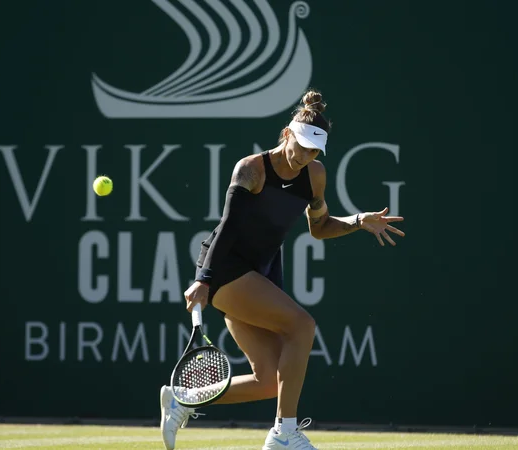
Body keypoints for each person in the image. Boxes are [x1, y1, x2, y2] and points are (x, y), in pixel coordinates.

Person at [160, 90, 404, 450]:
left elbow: (319, 228)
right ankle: (284, 433)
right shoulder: (251, 169)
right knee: (302, 326)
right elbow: (226, 228)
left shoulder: (315, 175)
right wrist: (203, 280)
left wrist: (357, 221)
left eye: (314, 151)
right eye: (302, 146)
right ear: (287, 134)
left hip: (259, 274)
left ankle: (183, 398)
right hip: (225, 269)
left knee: (271, 380)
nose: (306, 156)